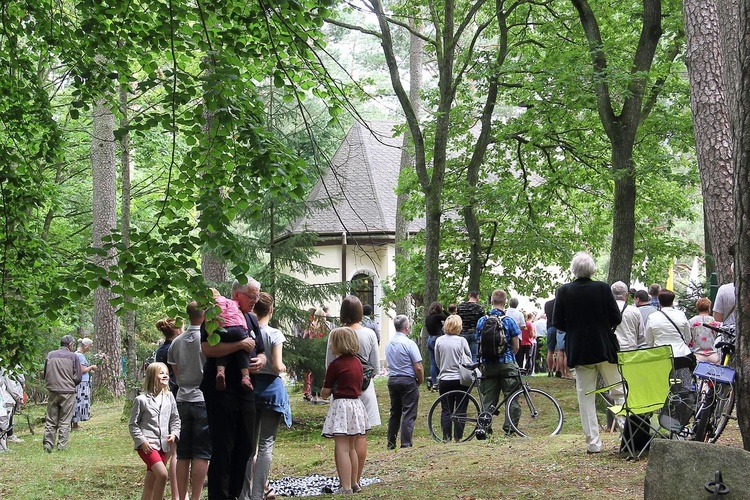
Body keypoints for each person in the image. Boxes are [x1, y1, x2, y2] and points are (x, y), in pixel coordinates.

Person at [201, 277, 267, 500]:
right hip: (221, 391)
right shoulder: (215, 315)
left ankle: (235, 495)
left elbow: (261, 349)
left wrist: (261, 360)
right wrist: (239, 345)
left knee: (246, 446)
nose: (255, 301)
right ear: (237, 294)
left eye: (257, 296)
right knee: (224, 447)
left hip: (246, 391)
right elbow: (208, 350)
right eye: (251, 296)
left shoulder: (251, 319)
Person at [552, 251, 623, 454]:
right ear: (592, 269)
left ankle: (593, 443)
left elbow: (557, 322)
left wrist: (575, 327)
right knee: (618, 391)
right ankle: (627, 434)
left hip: (580, 350)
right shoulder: (602, 288)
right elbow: (616, 317)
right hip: (604, 347)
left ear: (574, 270)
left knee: (585, 396)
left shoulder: (563, 291)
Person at [325, 295, 380, 492]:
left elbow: (329, 365)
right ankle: (356, 479)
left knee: (342, 439)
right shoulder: (370, 334)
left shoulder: (336, 334)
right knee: (360, 435)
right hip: (364, 388)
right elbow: (375, 365)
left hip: (341, 392)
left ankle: (345, 482)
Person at [240, 293, 292, 500]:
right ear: (271, 310)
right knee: (266, 446)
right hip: (271, 392)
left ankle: (243, 493)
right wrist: (284, 367)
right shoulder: (274, 334)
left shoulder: (248, 334)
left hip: (250, 390)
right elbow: (278, 366)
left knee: (248, 446)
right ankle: (258, 493)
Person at [168, 301, 211, 500]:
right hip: (203, 398)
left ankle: (182, 496)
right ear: (205, 315)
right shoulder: (209, 339)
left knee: (183, 453)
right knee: (202, 452)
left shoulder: (176, 342)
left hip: (182, 399)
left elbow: (175, 375)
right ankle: (196, 497)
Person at [321, 327, 370, 495]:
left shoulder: (335, 365)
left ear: (339, 344)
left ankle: (346, 487)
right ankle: (355, 482)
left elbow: (326, 391)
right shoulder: (358, 362)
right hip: (356, 405)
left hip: (342, 406)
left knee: (341, 447)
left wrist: (323, 393)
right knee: (351, 447)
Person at [129, 362, 181, 500]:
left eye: (166, 373)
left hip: (164, 445)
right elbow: (133, 425)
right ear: (152, 376)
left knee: (150, 481)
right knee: (163, 475)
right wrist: (142, 441)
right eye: (161, 373)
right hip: (148, 446)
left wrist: (175, 434)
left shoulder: (169, 397)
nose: (165, 375)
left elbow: (175, 419)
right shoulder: (141, 400)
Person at [475, 289, 522, 434]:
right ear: (505, 302)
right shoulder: (508, 321)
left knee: (488, 398)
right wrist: (508, 357)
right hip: (507, 364)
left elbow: (478, 341)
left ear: (491, 301)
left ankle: (484, 427)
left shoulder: (482, 321)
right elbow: (516, 346)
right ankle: (510, 428)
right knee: (512, 397)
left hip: (488, 364)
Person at [385, 314, 423, 450]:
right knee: (409, 411)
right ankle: (406, 443)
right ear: (407, 327)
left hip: (393, 379)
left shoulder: (389, 343)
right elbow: (418, 366)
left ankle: (391, 442)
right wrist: (420, 380)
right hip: (407, 380)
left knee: (395, 412)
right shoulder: (409, 343)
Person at [645, 289, 695, 389]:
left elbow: (649, 341)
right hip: (682, 355)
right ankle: (686, 400)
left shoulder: (652, 317)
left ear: (659, 300)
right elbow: (688, 337)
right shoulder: (681, 315)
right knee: (685, 384)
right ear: (672, 301)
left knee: (661, 385)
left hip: (661, 356)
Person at [434, 314, 472, 442]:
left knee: (446, 409)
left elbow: (437, 361)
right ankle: (458, 437)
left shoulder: (439, 341)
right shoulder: (462, 341)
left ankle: (446, 437)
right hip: (460, 379)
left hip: (445, 379)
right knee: (461, 408)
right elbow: (469, 359)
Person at [209, 288, 255, 392]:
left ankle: (220, 372)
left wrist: (212, 335)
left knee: (222, 350)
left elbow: (209, 321)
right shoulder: (232, 302)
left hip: (223, 329)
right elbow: (239, 314)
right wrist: (244, 331)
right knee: (243, 349)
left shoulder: (211, 306)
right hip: (238, 327)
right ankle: (246, 376)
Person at [42, 335, 82, 453]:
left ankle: (48, 446)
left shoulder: (50, 355)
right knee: (65, 420)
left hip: (53, 391)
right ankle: (61, 446)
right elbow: (78, 377)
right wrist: (70, 383)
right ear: (70, 345)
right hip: (68, 392)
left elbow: (45, 373)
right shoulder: (73, 356)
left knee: (51, 419)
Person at [155, 317, 181, 498]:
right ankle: (177, 494)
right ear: (178, 330)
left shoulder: (160, 350)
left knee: (171, 448)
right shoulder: (177, 347)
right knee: (176, 450)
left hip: (163, 398)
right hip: (177, 395)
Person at [611, 281, 646, 351]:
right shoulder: (635, 311)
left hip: (611, 350)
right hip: (630, 351)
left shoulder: (604, 310)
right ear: (626, 295)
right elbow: (642, 335)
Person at [72, 337, 97, 431]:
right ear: (85, 346)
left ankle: (75, 423)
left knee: (77, 402)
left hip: (79, 382)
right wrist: (91, 367)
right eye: (90, 346)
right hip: (81, 383)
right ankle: (75, 424)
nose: (90, 348)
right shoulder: (80, 356)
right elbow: (82, 370)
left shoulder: (76, 354)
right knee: (79, 402)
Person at [688, 297, 720, 364]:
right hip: (714, 355)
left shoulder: (691, 321)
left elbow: (688, 338)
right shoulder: (715, 321)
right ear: (709, 308)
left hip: (697, 355)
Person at [424, 301, 447, 390]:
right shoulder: (437, 317)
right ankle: (440, 380)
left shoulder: (428, 318)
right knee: (440, 361)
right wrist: (444, 310)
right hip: (437, 339)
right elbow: (449, 317)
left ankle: (434, 382)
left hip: (430, 339)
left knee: (433, 362)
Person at [457, 291, 485, 362]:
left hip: (463, 333)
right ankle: (473, 371)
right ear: (477, 297)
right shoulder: (479, 308)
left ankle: (463, 371)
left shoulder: (461, 306)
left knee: (462, 355)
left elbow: (457, 319)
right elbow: (482, 322)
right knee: (474, 355)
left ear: (469, 296)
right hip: (474, 333)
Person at [544, 299, 558, 377]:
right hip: (560, 328)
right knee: (561, 351)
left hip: (550, 327)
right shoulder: (561, 302)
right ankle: (559, 371)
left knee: (550, 351)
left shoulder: (547, 304)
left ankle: (550, 370)